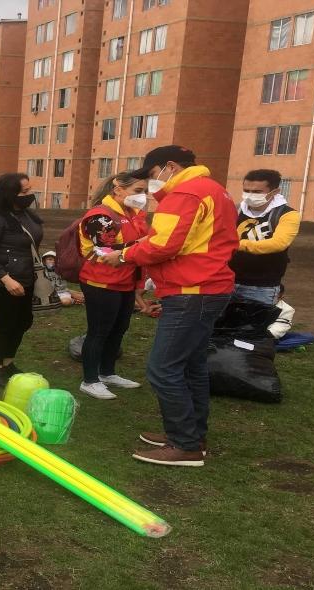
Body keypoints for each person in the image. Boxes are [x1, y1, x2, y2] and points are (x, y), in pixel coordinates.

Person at [99, 145, 238, 467]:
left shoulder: (186, 194)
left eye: (151, 176)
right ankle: (191, 434)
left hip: (192, 290)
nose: (150, 185)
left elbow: (164, 244)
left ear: (169, 167)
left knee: (163, 368)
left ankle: (185, 444)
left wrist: (121, 256)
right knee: (191, 366)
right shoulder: (213, 190)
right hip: (205, 287)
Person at [76, 173, 151, 400]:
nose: (142, 196)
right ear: (118, 188)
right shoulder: (100, 215)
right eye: (138, 191)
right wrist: (144, 244)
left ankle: (107, 372)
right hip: (101, 281)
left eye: (144, 191)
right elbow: (105, 250)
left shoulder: (131, 214)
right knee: (99, 331)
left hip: (125, 281)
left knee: (119, 328)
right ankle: (90, 380)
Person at [0, 173, 44, 387]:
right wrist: (6, 279)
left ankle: (8, 361)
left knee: (22, 322)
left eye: (30, 190)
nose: (29, 195)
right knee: (5, 324)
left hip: (26, 277)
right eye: (24, 192)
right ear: (9, 194)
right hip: (1, 282)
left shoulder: (26, 215)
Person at [231, 169, 301, 305]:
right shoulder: (235, 209)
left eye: (257, 192)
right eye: (246, 190)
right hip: (227, 281)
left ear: (274, 192)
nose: (250, 196)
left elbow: (278, 243)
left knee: (254, 326)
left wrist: (236, 244)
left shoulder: (288, 214)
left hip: (262, 287)